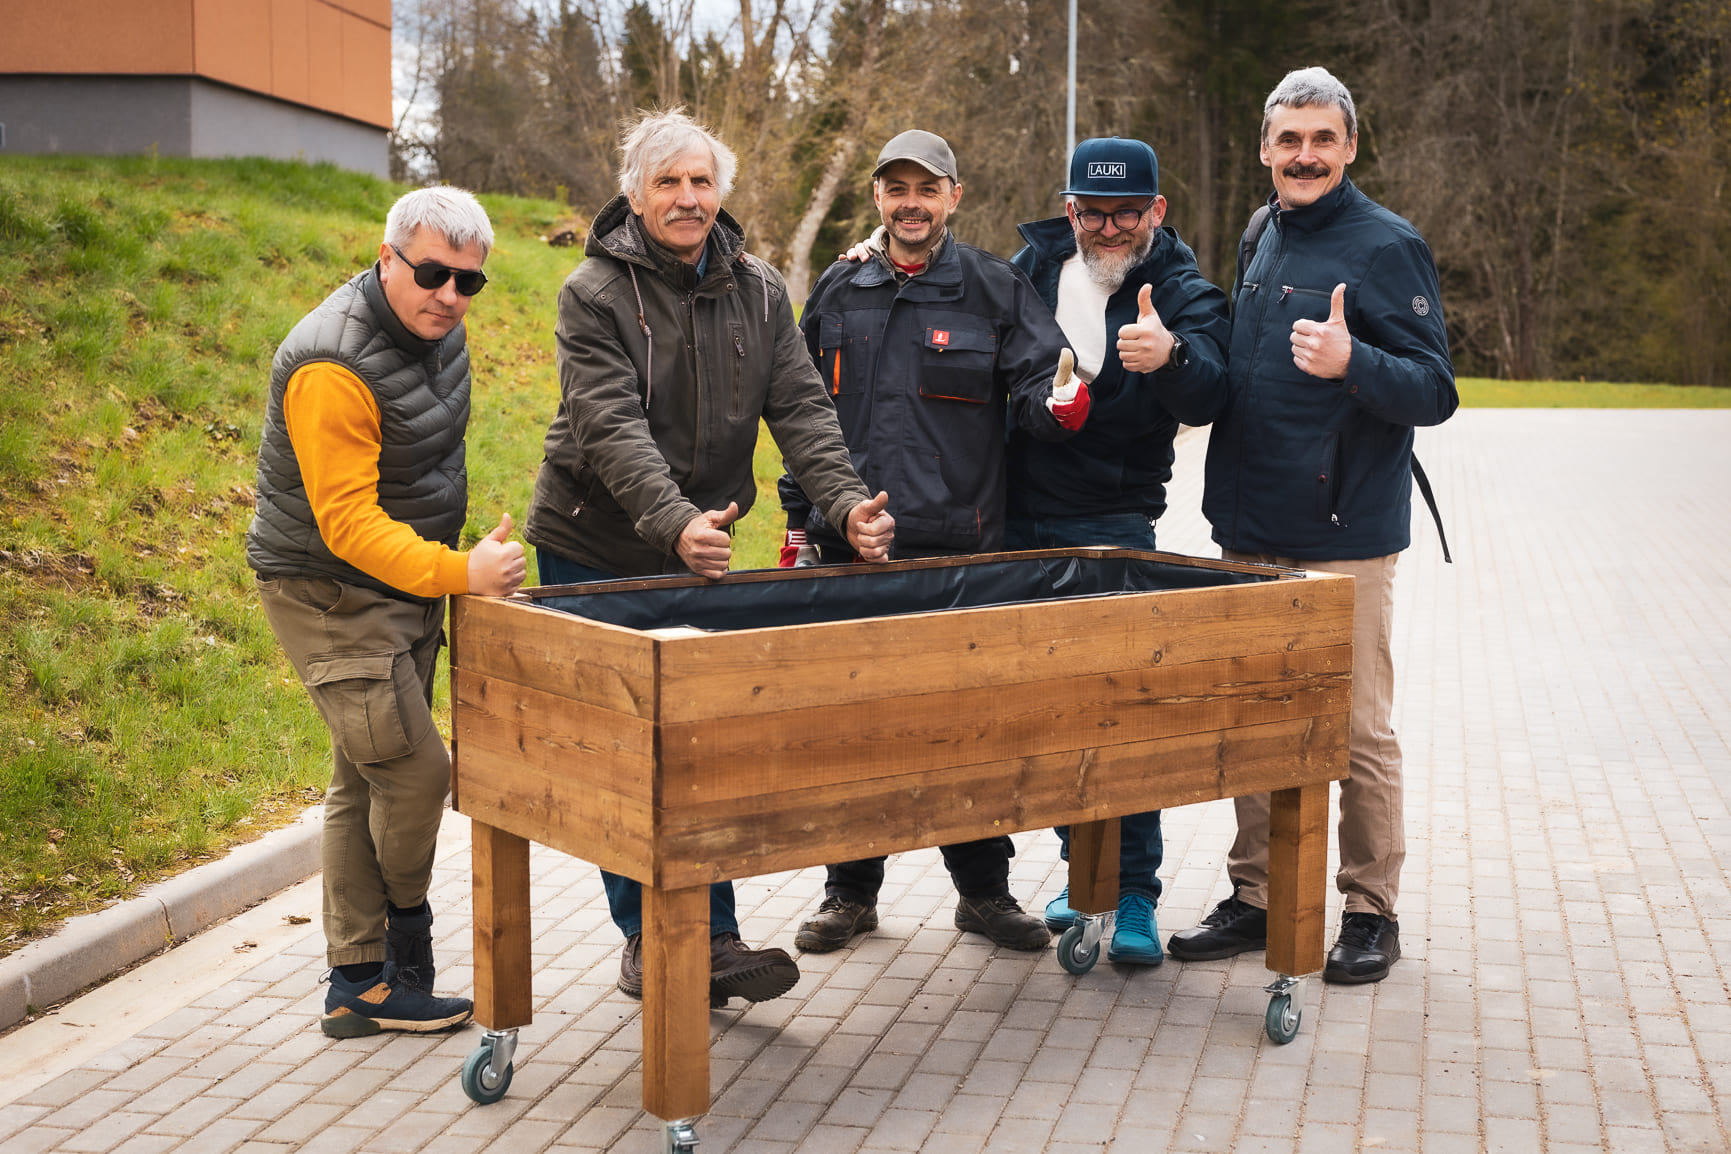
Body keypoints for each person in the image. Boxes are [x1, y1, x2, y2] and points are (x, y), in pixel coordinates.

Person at [524, 109, 896, 1007]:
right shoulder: (592, 292)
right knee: (625, 753)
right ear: (634, 195)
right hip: (598, 545)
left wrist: (846, 506)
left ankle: (712, 938)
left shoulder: (760, 290)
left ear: (720, 193)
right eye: (668, 183)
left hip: (697, 546)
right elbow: (607, 425)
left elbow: (802, 410)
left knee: (694, 747)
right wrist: (673, 521)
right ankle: (656, 942)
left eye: (700, 182)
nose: (687, 199)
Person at [1167, 66, 1457, 984]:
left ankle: (1370, 911)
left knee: (1355, 728)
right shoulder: (1261, 231)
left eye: (1321, 139)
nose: (1304, 155)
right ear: (1264, 150)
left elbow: (1435, 389)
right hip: (1250, 526)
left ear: (1349, 147)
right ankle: (1256, 897)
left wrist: (1352, 359)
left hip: (1344, 535)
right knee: (1256, 718)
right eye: (1288, 140)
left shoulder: (1386, 246)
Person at [780, 129, 1087, 956]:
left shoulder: (992, 287)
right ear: (877, 199)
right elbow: (800, 412)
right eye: (895, 188)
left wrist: (1060, 402)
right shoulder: (840, 288)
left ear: (954, 196)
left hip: (958, 553)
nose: (910, 203)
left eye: (927, 187)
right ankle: (849, 895)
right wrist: (794, 518)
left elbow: (1038, 386)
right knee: (854, 730)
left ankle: (983, 894)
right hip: (849, 555)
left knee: (966, 727)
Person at [246, 186, 527, 1037]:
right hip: (332, 592)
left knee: (360, 775)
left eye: (467, 281)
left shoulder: (437, 330)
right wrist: (460, 572)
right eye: (432, 273)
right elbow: (348, 522)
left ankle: (358, 984)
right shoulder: (332, 365)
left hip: (403, 588)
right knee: (414, 772)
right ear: (386, 258)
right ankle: (401, 947)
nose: (448, 295)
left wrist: (444, 573)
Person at [1008, 137, 1232, 967]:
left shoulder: (1175, 287)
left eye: (1125, 212)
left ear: (1155, 212)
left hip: (1110, 525)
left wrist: (1168, 358)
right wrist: (873, 254)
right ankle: (1082, 869)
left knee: (1122, 712)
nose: (1109, 228)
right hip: (1013, 520)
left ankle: (1132, 890)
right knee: (1047, 712)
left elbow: (1213, 384)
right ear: (1069, 209)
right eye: (1093, 212)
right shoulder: (1028, 268)